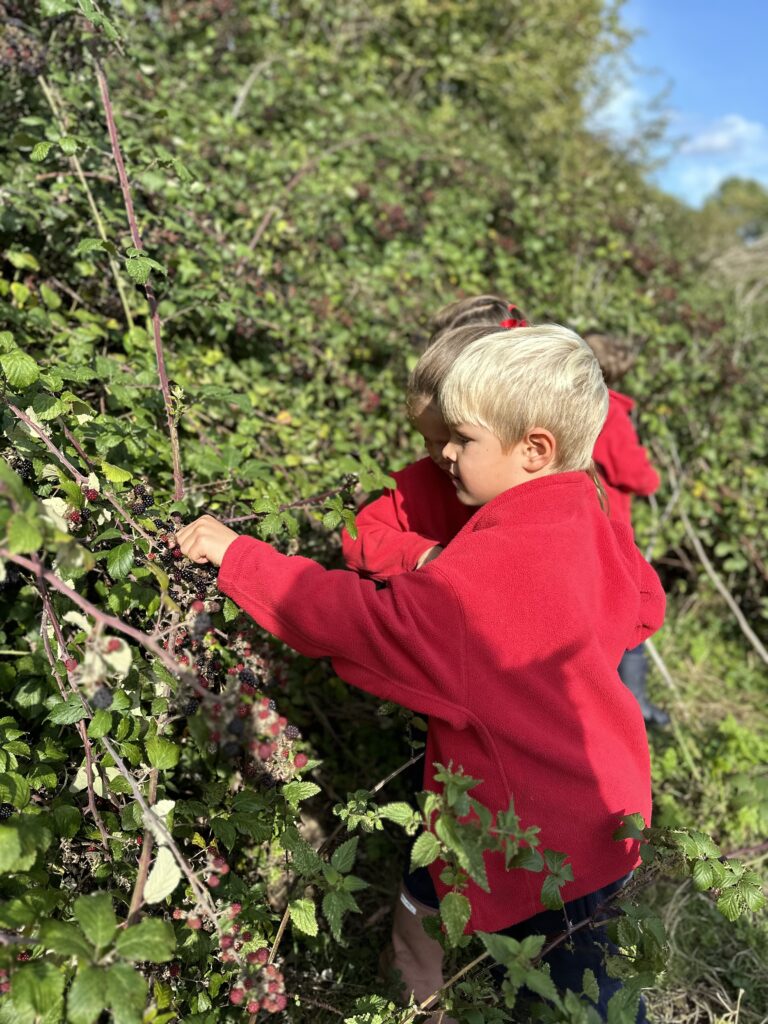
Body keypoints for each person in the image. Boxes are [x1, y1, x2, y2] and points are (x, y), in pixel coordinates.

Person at [175, 323, 664, 1022]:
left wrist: (240, 557)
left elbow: (360, 621)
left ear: (534, 448)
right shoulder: (584, 510)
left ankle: (416, 1007)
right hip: (608, 819)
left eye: (462, 439)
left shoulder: (479, 582)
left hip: (519, 831)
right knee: (589, 988)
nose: (445, 455)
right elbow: (643, 603)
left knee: (530, 985)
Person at [343, 305, 669, 727]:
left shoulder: (564, 501)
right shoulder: (420, 483)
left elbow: (643, 599)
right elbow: (359, 534)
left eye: (457, 437)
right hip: (447, 675)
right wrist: (428, 557)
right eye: (429, 440)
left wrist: (587, 643)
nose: (444, 454)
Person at [583, 332, 669, 727]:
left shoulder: (568, 406)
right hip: (608, 530)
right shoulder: (609, 413)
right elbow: (636, 474)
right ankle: (635, 706)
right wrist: (651, 474)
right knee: (629, 613)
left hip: (580, 525)